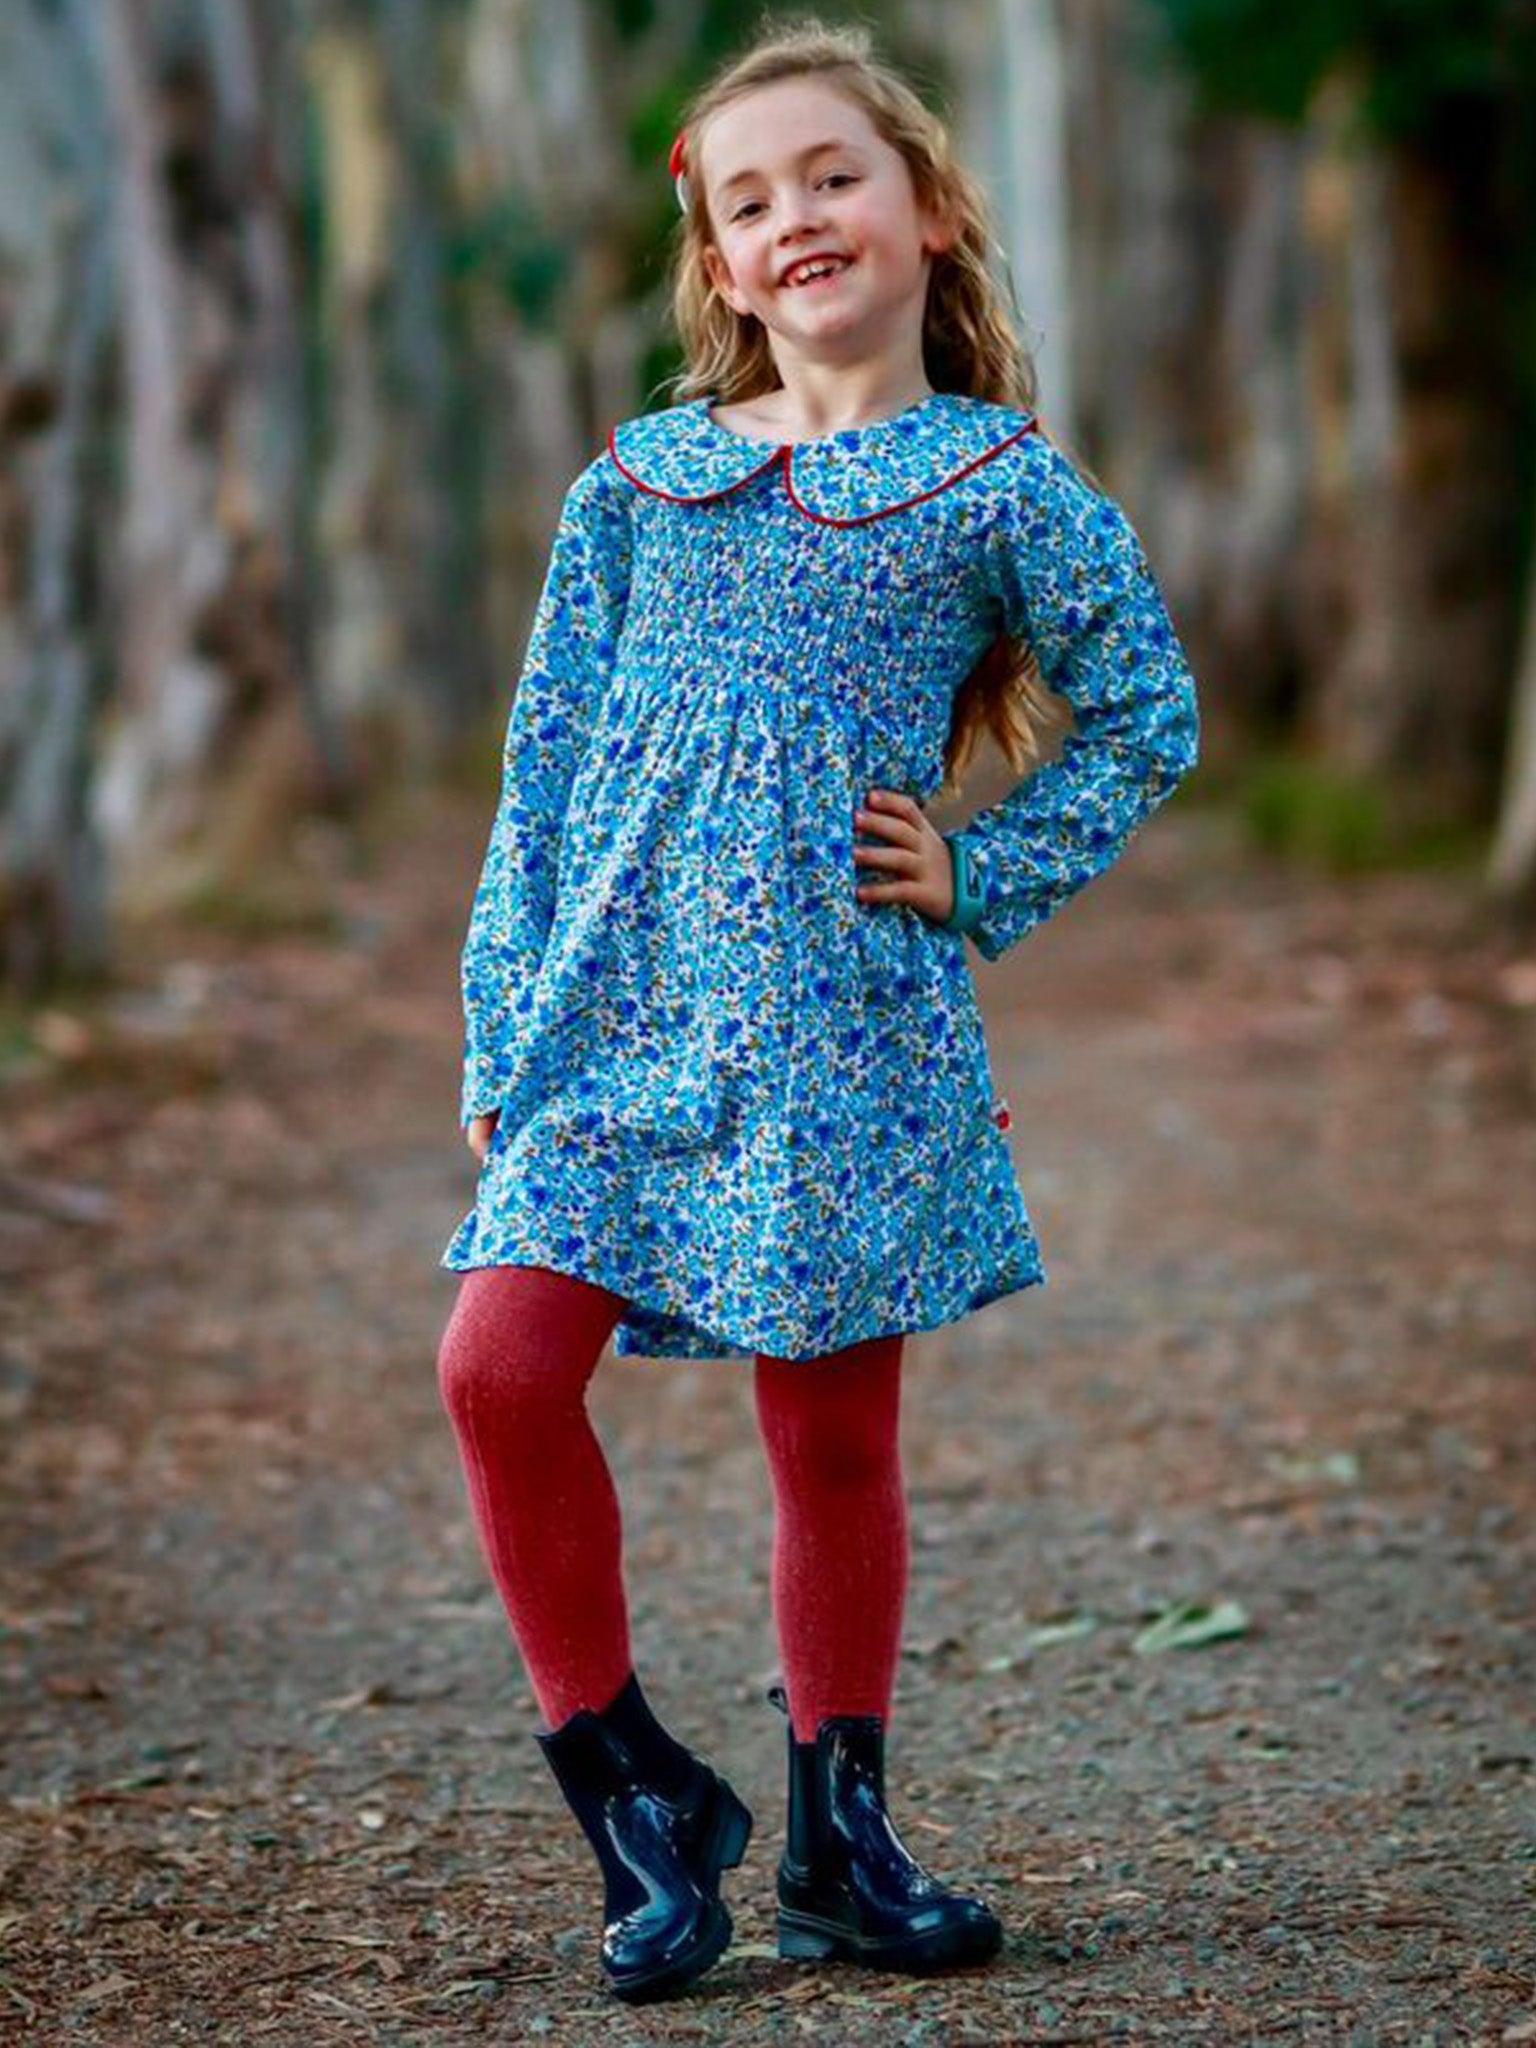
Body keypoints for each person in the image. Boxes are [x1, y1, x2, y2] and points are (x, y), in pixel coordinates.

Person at [434, 13, 1201, 2007]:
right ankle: (630, 1795)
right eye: (750, 199)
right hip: (612, 1026)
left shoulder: (998, 487)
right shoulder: (640, 485)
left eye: (833, 177)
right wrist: (499, 1031)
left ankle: (840, 1841)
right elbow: (543, 770)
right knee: (500, 1371)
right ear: (717, 264)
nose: (796, 221)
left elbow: (1147, 714)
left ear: (929, 211)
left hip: (841, 1031)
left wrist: (980, 867)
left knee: (830, 1435)